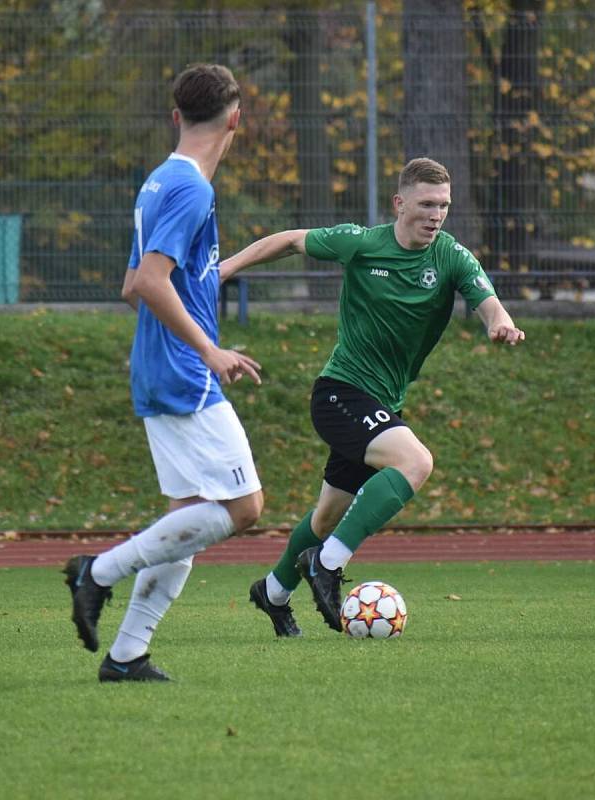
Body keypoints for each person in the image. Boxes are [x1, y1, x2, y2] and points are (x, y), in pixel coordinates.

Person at [220, 157, 525, 637]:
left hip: (382, 403)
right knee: (416, 462)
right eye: (426, 204)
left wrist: (500, 324)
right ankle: (328, 563)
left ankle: (273, 593)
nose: (436, 214)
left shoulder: (451, 256)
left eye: (444, 205)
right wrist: (225, 268)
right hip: (341, 393)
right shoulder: (362, 243)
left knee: (327, 515)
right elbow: (289, 240)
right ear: (400, 203)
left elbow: (487, 301)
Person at [64, 63, 264, 681]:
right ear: (236, 118)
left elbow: (132, 285)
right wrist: (208, 349)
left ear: (176, 116)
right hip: (184, 369)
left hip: (157, 362)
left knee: (188, 517)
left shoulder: (159, 182)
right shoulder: (191, 189)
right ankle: (96, 572)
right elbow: (150, 282)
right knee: (244, 507)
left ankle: (127, 657)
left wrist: (189, 301)